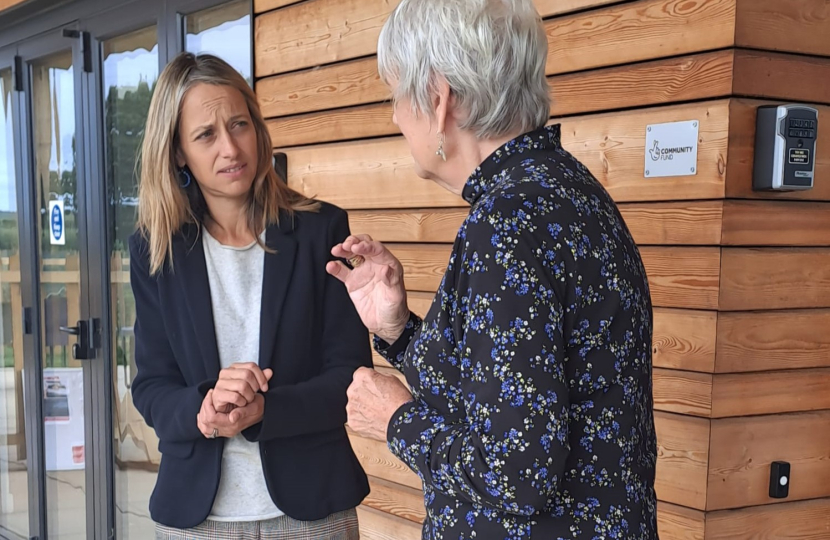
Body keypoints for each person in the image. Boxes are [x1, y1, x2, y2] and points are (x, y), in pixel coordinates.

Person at [327, 1, 659, 539]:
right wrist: (399, 332)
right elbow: (509, 395)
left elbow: (518, 474)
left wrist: (397, 419)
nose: (393, 116)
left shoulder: (507, 223)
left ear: (439, 100)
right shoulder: (570, 191)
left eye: (395, 94)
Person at [129, 52, 371, 539]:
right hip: (197, 518)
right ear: (177, 151)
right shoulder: (155, 249)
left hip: (312, 511)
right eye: (205, 135)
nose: (230, 148)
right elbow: (151, 386)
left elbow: (349, 375)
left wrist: (267, 410)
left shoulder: (321, 229)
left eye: (238, 124)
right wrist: (201, 409)